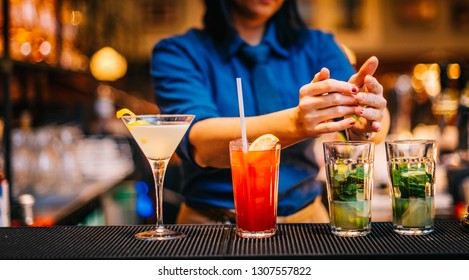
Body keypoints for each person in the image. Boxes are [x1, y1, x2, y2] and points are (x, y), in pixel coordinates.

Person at [150, 0, 390, 224]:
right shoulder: (178, 52)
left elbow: (376, 125)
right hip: (211, 226)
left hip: (307, 221)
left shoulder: (318, 45)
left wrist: (369, 117)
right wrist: (296, 123)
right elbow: (201, 144)